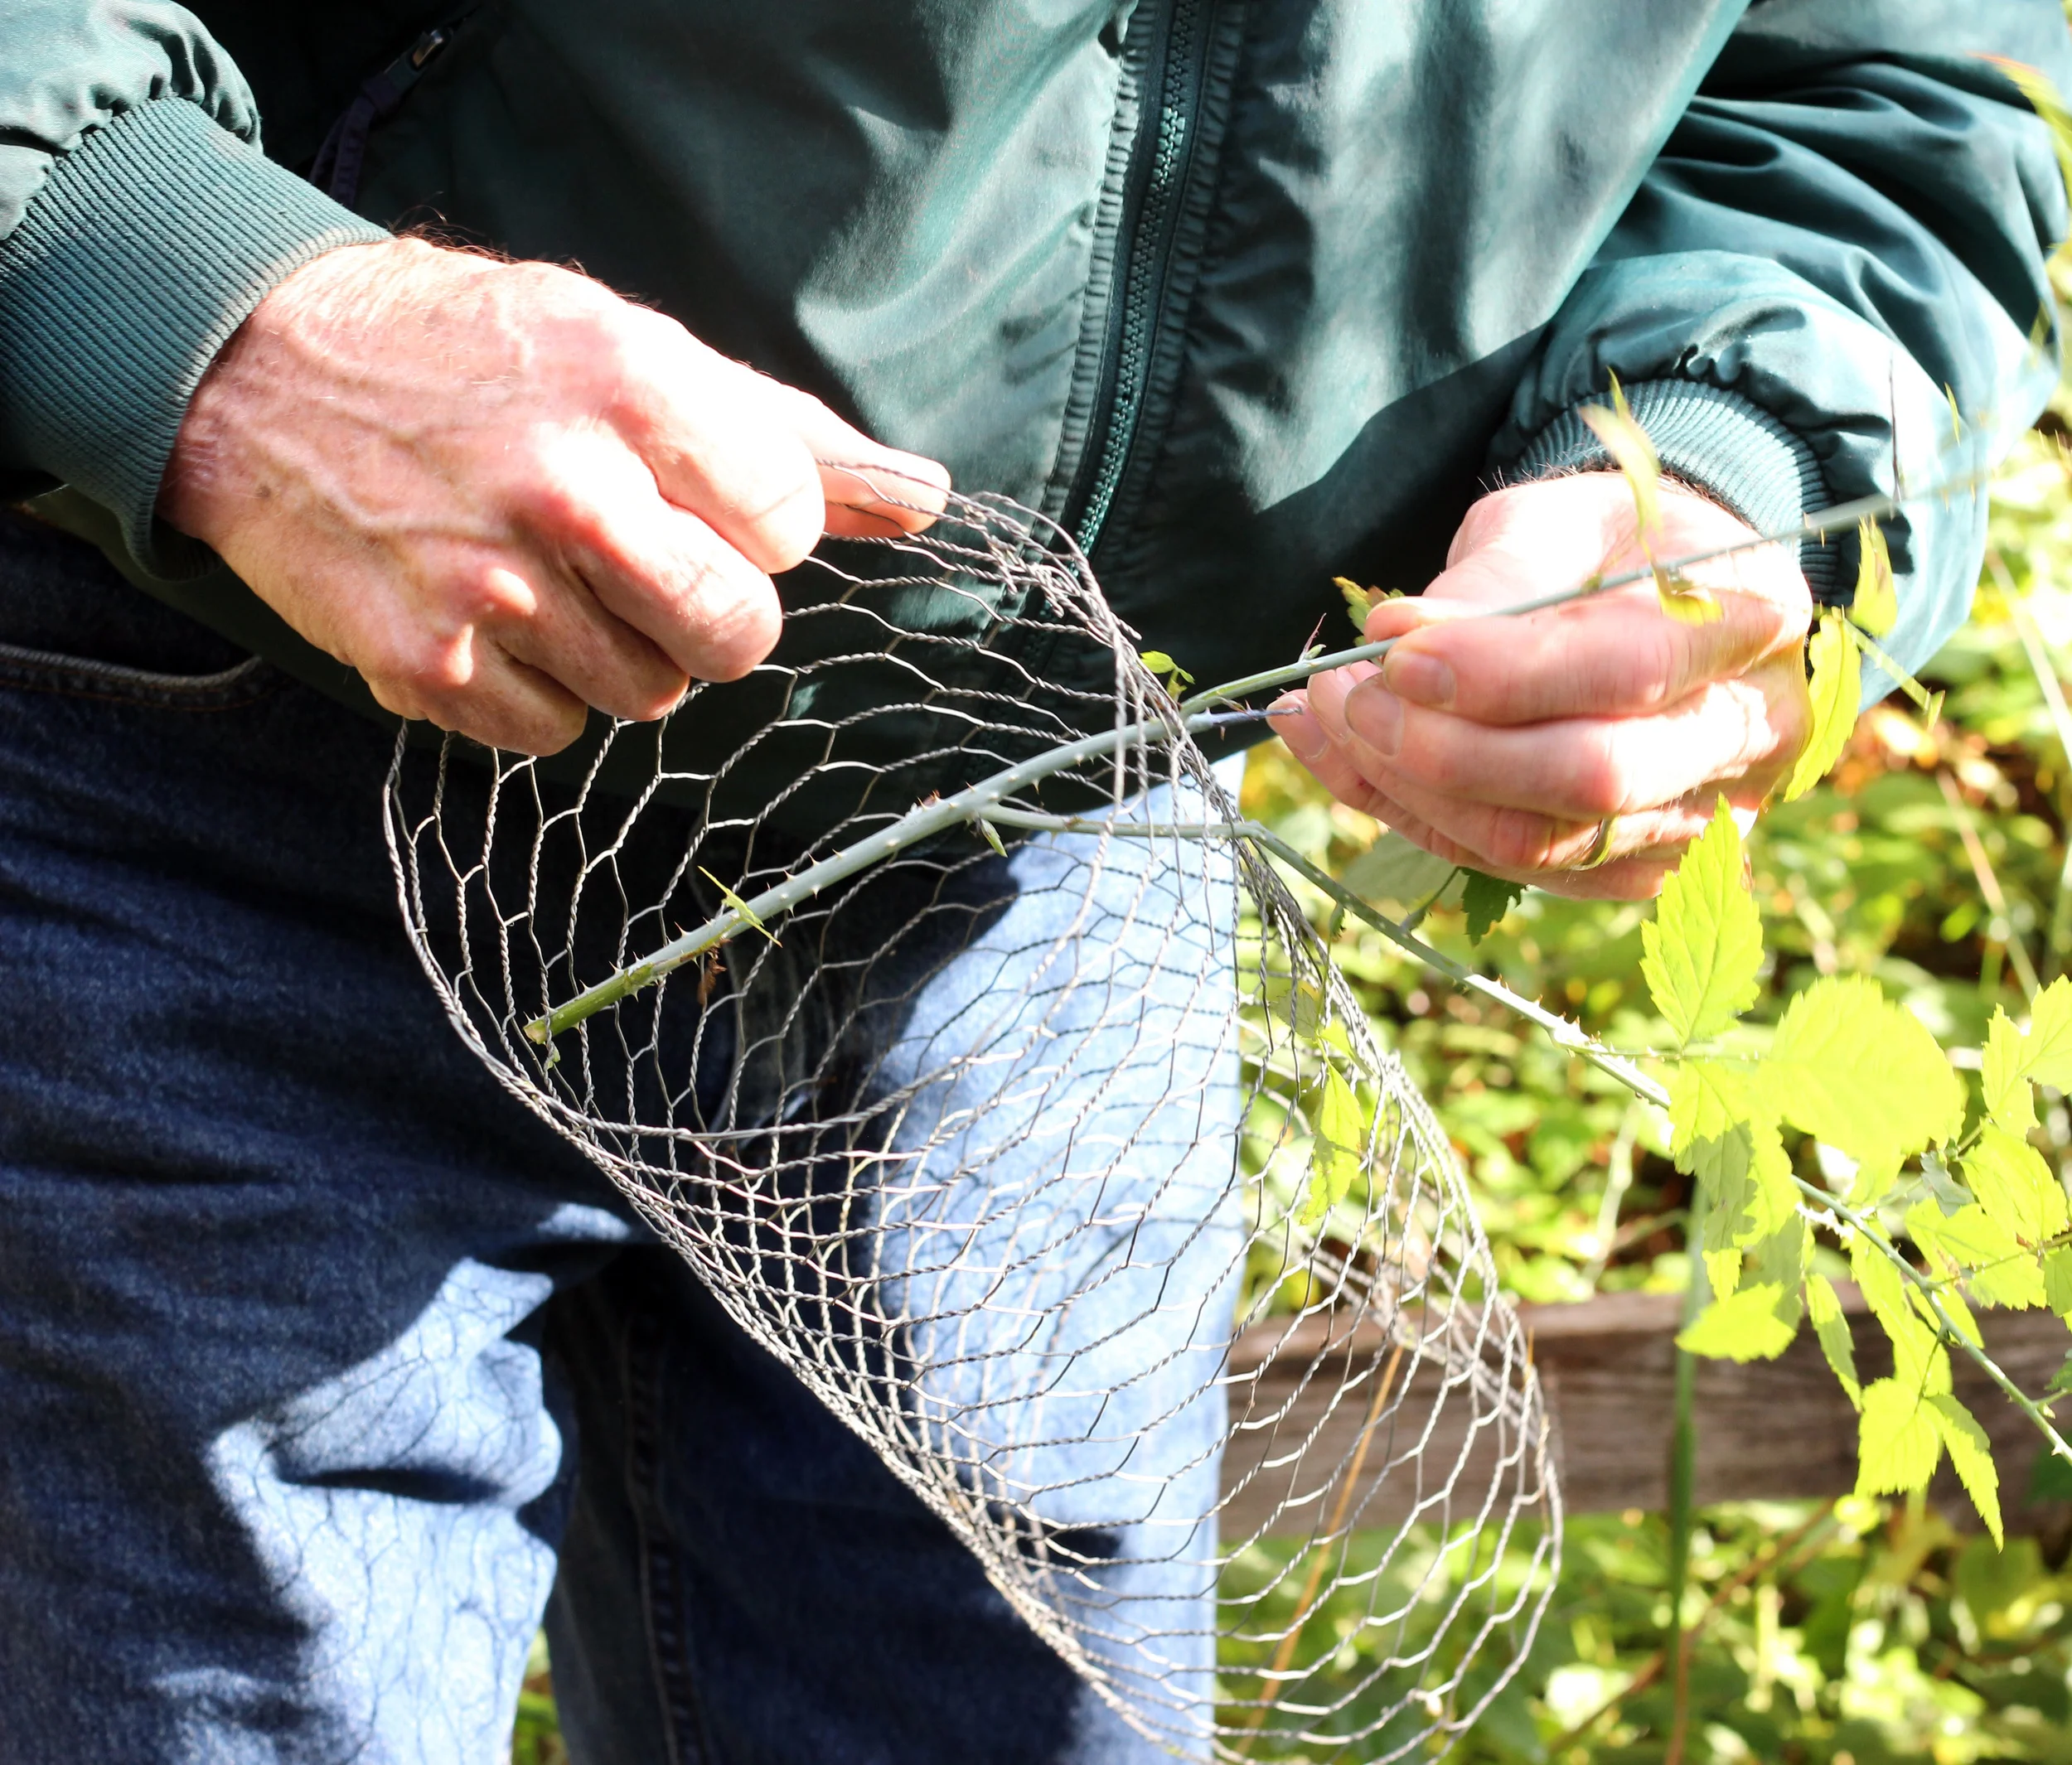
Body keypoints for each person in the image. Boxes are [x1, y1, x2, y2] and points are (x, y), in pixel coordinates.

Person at [2, 2, 2067, 1759]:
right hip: (176, 706)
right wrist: (191, 295)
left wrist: (1714, 472)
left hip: (1056, 839)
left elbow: (1884, 81)